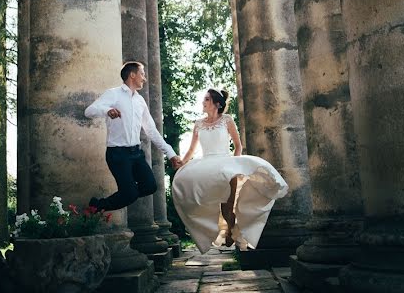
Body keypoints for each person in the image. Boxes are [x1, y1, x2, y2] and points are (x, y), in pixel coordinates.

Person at [171, 89, 288, 252]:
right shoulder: (198, 124)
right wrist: (182, 162)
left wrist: (235, 165)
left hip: (225, 165)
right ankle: (219, 230)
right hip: (206, 166)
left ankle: (231, 231)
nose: (203, 102)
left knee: (227, 204)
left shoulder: (226, 120)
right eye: (203, 99)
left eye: (206, 99)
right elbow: (191, 149)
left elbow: (238, 145)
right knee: (205, 198)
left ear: (216, 104)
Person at [84, 61, 182, 211]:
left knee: (150, 186)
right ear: (132, 75)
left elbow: (151, 131)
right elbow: (89, 111)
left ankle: (102, 204)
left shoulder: (140, 100)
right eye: (142, 74)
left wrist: (171, 154)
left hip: (136, 154)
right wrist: (107, 110)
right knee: (129, 194)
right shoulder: (113, 94)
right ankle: (98, 206)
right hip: (118, 154)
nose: (145, 78)